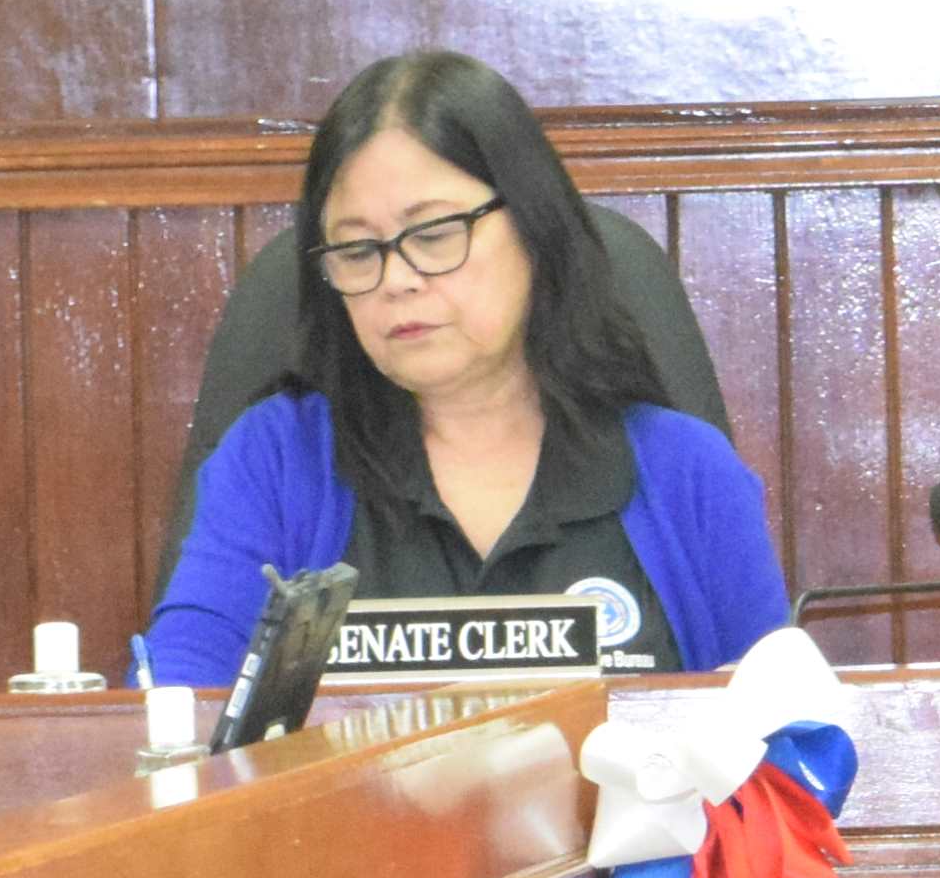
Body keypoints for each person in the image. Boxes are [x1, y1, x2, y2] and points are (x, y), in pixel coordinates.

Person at [143, 49, 794, 687]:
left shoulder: (686, 472)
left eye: (433, 235)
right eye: (357, 250)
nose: (396, 279)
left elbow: (788, 735)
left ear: (534, 229)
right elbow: (174, 712)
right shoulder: (277, 462)